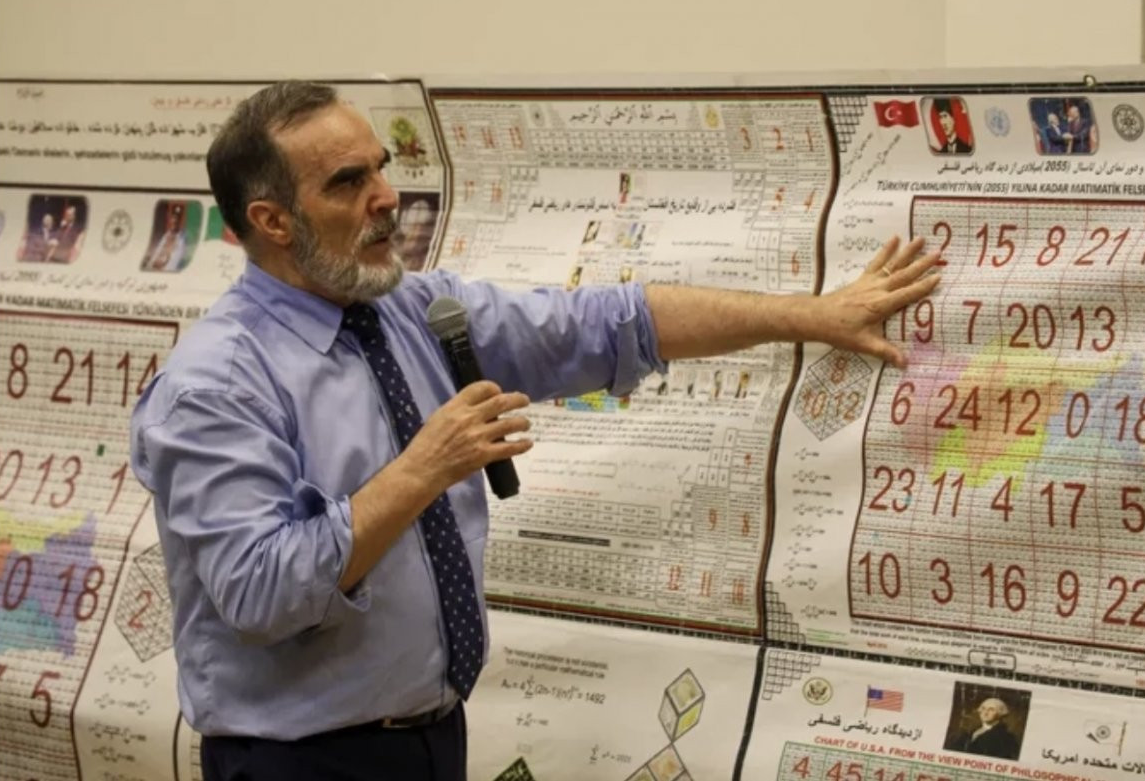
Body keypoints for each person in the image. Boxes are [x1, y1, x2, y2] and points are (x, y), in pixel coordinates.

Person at [129, 81, 940, 781]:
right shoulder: (216, 383)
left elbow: (608, 324)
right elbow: (260, 592)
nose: (386, 197)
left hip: (429, 737)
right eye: (349, 181)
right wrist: (422, 468)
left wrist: (812, 315)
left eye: (382, 166)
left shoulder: (411, 309)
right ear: (272, 220)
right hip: (300, 761)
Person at [945, 697, 1021, 760]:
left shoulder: (1006, 738)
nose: (985, 713)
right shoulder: (970, 733)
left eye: (991, 710)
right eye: (983, 708)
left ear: (1000, 714)